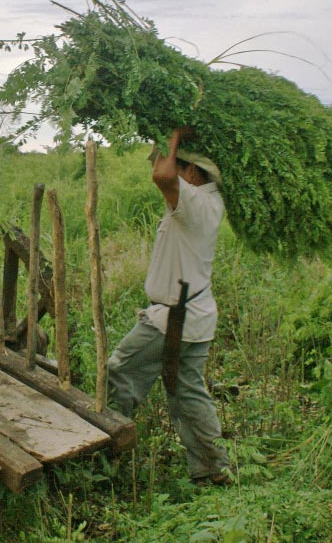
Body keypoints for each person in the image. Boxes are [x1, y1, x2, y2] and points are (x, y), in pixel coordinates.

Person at [107, 127, 233, 486]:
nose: (171, 172)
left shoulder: (197, 203)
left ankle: (109, 453)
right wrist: (166, 141)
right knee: (187, 393)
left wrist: (173, 132)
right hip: (189, 315)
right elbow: (164, 171)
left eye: (179, 165)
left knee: (120, 370)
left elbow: (160, 175)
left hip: (174, 319)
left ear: (193, 173)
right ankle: (212, 470)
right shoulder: (203, 203)